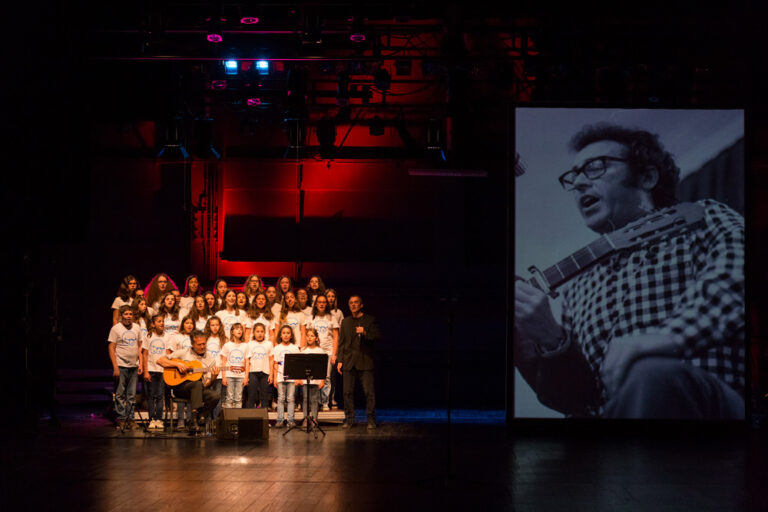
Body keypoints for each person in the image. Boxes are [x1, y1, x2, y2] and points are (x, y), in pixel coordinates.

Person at [514, 123, 745, 419]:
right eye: (573, 177)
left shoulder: (703, 216)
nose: (580, 183)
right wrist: (550, 338)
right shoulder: (577, 286)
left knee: (652, 374)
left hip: (710, 425)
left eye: (594, 168)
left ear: (647, 176)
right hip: (616, 444)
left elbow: (738, 274)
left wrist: (669, 338)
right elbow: (578, 402)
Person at [158, 330, 221, 432]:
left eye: (204, 344)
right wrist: (178, 364)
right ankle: (195, 421)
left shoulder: (209, 359)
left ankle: (198, 417)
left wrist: (213, 377)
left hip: (198, 389)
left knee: (215, 396)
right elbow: (160, 361)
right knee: (197, 384)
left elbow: (206, 385)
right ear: (192, 344)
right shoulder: (184, 353)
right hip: (181, 388)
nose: (202, 347)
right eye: (199, 344)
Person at [337, 295, 382, 429]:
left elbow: (377, 337)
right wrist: (340, 360)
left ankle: (371, 420)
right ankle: (350, 420)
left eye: (356, 302)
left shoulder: (370, 320)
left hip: (365, 360)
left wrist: (365, 333)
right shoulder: (345, 322)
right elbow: (341, 343)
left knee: (368, 392)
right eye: (351, 303)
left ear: (361, 305)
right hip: (349, 361)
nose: (353, 305)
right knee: (347, 392)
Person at [108, 305, 144, 430]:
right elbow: (111, 348)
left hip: (133, 366)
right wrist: (115, 366)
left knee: (131, 394)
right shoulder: (116, 329)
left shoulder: (137, 328)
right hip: (121, 365)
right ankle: (121, 418)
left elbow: (139, 347)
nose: (129, 317)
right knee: (120, 394)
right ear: (121, 315)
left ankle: (131, 418)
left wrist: (141, 363)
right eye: (126, 314)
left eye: (130, 314)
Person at [306, 294, 339, 411]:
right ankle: (315, 402)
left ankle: (325, 402)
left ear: (327, 304)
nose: (321, 304)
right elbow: (307, 335)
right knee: (314, 377)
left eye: (324, 302)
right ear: (315, 304)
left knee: (327, 377)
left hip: (328, 352)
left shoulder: (332, 318)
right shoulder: (311, 318)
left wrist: (334, 354)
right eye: (319, 302)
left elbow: (336, 337)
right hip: (314, 351)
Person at [141, 314, 169, 431]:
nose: (161, 323)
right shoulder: (148, 336)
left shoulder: (167, 337)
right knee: (151, 396)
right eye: (158, 321)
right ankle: (152, 419)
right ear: (153, 324)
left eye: (162, 321)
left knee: (160, 396)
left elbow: (168, 355)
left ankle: (159, 419)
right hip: (151, 370)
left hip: (162, 371)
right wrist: (146, 371)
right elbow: (145, 354)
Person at [272, 325, 300, 427]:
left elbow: (298, 364)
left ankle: (290, 420)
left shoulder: (294, 348)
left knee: (291, 399)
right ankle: (280, 420)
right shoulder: (277, 348)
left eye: (288, 333)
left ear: (291, 335)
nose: (286, 335)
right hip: (280, 377)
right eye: (284, 333)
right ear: (280, 335)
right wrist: (275, 378)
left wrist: (297, 378)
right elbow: (275, 363)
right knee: (280, 399)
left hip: (292, 378)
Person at [297, 327, 326, 421]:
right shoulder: (303, 350)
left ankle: (314, 419)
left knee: (314, 400)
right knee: (305, 399)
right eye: (308, 336)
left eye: (312, 336)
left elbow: (323, 368)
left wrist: (322, 380)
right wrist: (300, 378)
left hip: (316, 380)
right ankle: (306, 418)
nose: (309, 338)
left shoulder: (320, 351)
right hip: (305, 380)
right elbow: (300, 366)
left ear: (316, 338)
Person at [220, 323, 250, 408]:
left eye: (241, 329)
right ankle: (229, 420)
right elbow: (223, 362)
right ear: (232, 332)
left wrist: (246, 377)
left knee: (238, 398)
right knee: (229, 398)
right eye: (237, 329)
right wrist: (224, 377)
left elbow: (247, 362)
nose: (239, 330)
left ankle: (236, 419)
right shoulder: (227, 345)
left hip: (241, 376)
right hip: (229, 375)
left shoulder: (245, 346)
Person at [245, 323, 273, 409]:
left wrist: (271, 374)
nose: (260, 333)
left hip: (265, 373)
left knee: (264, 396)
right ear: (253, 333)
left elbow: (271, 359)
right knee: (252, 395)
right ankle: (249, 418)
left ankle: (264, 419)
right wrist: (246, 376)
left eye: (262, 331)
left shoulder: (268, 344)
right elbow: (247, 360)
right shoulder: (250, 344)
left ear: (265, 333)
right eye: (257, 331)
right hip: (253, 372)